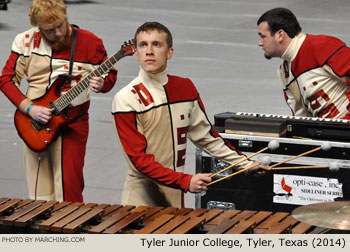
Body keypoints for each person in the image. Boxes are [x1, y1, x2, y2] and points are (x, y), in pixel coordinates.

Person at [112, 21, 269, 208]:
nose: (149, 51)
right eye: (143, 45)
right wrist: (185, 181)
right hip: (141, 199)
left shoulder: (185, 88)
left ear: (169, 52)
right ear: (136, 54)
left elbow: (206, 137)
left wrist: (246, 164)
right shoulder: (125, 99)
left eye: (157, 44)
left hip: (176, 198)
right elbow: (139, 160)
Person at [0, 0, 117, 202]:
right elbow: (6, 79)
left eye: (61, 25)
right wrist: (29, 108)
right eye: (49, 30)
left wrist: (102, 84)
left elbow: (110, 75)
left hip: (73, 122)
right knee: (38, 191)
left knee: (69, 186)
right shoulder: (25, 41)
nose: (58, 33)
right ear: (38, 27)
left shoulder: (91, 42)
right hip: (35, 122)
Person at [257, 7, 350, 119]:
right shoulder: (284, 72)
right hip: (327, 132)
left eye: (263, 37)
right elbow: (300, 118)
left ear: (280, 35)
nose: (260, 43)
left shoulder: (321, 46)